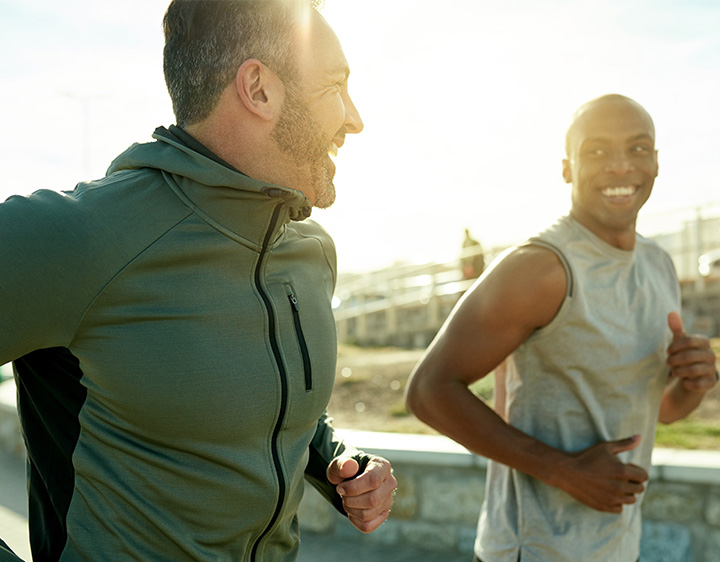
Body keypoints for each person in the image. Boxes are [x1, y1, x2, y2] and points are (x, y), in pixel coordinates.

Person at [0, 1, 397, 561]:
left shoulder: (311, 254)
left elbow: (261, 404)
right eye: (335, 86)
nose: (355, 118)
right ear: (258, 89)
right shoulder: (80, 236)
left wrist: (340, 462)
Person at [405, 94, 718, 562]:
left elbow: (656, 412)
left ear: (655, 162)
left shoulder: (658, 265)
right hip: (530, 550)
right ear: (567, 168)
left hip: (616, 548)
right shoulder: (542, 268)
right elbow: (429, 391)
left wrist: (694, 385)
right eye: (596, 151)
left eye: (637, 148)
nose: (619, 167)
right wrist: (564, 471)